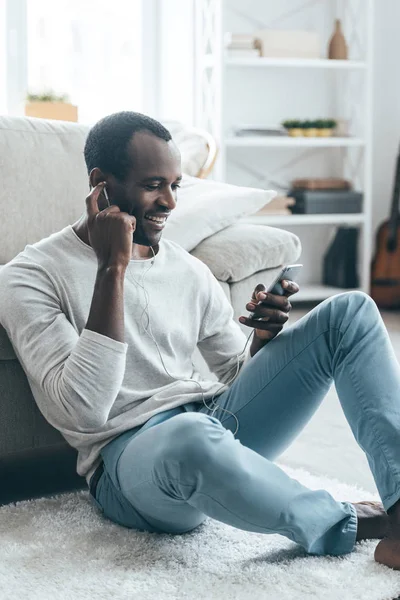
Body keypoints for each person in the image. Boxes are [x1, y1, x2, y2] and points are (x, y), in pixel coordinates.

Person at [0, 111, 399, 570]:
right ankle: (344, 520)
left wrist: (262, 340)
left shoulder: (187, 269)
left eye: (175, 185)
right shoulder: (28, 277)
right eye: (153, 185)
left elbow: (232, 373)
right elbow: (84, 410)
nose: (169, 201)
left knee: (351, 312)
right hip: (128, 461)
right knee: (191, 435)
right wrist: (113, 267)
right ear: (100, 183)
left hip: (214, 420)